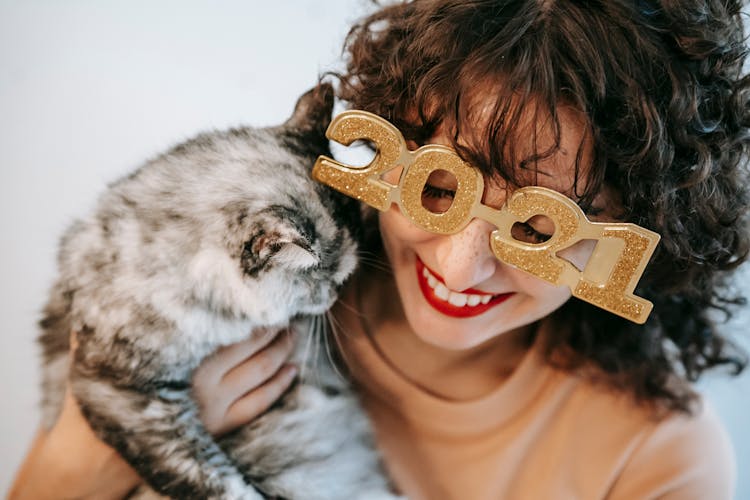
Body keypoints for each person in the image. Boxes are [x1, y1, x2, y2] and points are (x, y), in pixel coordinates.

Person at [10, 0, 750, 498]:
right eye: (440, 188)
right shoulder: (249, 279)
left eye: (537, 229)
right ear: (387, 135)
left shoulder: (658, 463)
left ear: (648, 235)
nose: (460, 267)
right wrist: (105, 435)